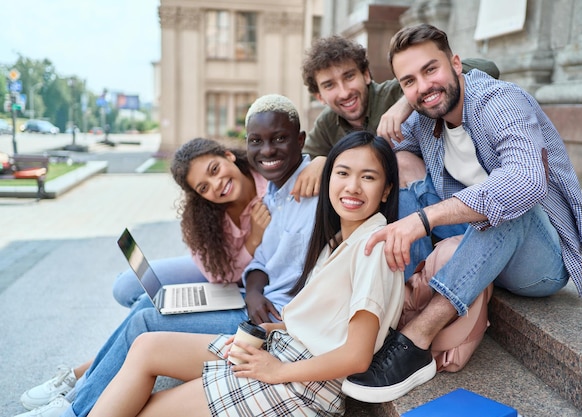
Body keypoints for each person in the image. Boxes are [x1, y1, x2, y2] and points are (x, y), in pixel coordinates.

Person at [15, 94, 317, 417]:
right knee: (139, 296)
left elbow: (307, 167)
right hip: (233, 284)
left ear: (230, 155)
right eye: (204, 186)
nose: (217, 185)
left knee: (146, 317)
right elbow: (225, 273)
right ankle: (84, 387)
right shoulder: (214, 212)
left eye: (216, 169)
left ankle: (76, 396)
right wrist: (251, 249)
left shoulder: (272, 182)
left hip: (251, 301)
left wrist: (320, 162)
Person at [341, 23, 582, 403]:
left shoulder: (499, 102)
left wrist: (424, 220)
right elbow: (387, 147)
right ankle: (396, 302)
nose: (424, 86)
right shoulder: (426, 113)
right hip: (473, 241)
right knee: (400, 161)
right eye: (409, 80)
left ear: (456, 64)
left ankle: (417, 340)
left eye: (431, 70)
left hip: (539, 260)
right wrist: (400, 106)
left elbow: (526, 180)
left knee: (513, 202)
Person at [85, 131, 405, 417]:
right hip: (282, 345)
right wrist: (268, 330)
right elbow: (323, 321)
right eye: (343, 173)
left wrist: (276, 371)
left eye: (368, 177)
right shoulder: (340, 240)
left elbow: (357, 356)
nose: (352, 186)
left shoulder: (373, 247)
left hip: (302, 385)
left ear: (387, 190)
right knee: (146, 346)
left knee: (144, 410)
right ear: (329, 178)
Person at [294, 35, 498, 277]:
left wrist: (405, 104)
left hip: (436, 200)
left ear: (366, 75)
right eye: (329, 85)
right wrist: (320, 160)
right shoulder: (328, 124)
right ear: (319, 96)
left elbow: (488, 67)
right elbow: (307, 157)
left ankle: (419, 277)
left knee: (400, 161)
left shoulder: (393, 91)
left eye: (349, 76)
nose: (344, 91)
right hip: (383, 213)